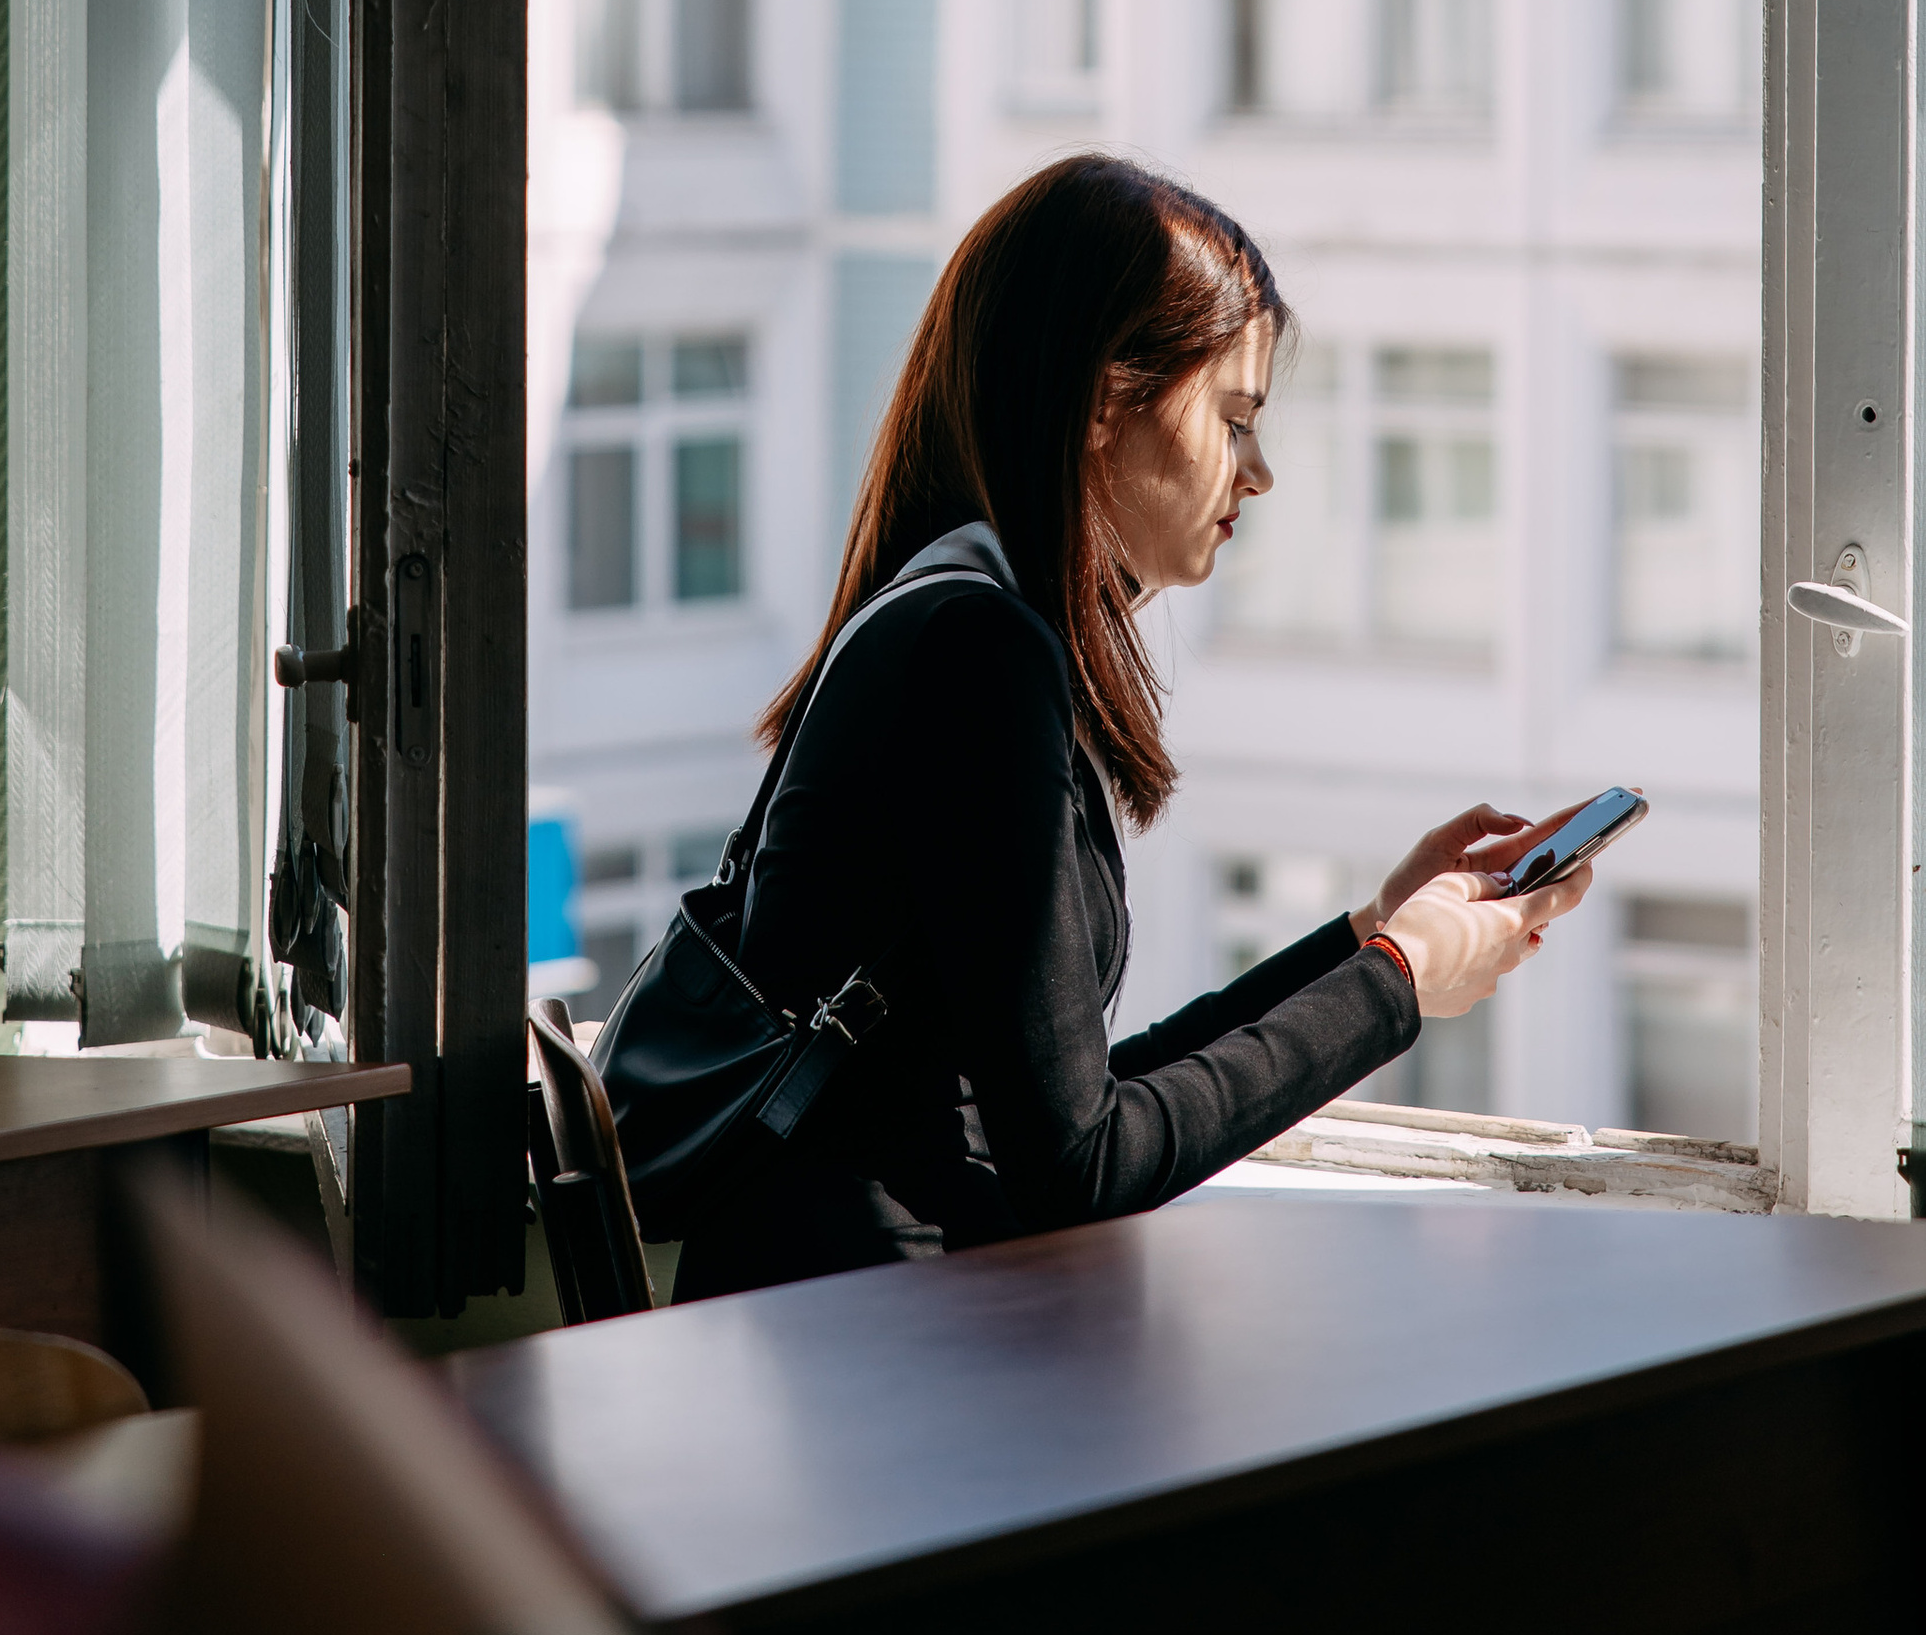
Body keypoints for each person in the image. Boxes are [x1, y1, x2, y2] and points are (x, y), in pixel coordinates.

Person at [671, 153, 1594, 1301]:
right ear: (1107, 400)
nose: (1258, 473)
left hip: (860, 1323)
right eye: (1235, 419)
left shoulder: (959, 622)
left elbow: (1073, 1106)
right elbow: (1085, 1165)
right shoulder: (976, 653)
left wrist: (1371, 937)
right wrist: (1399, 980)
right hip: (868, 1345)